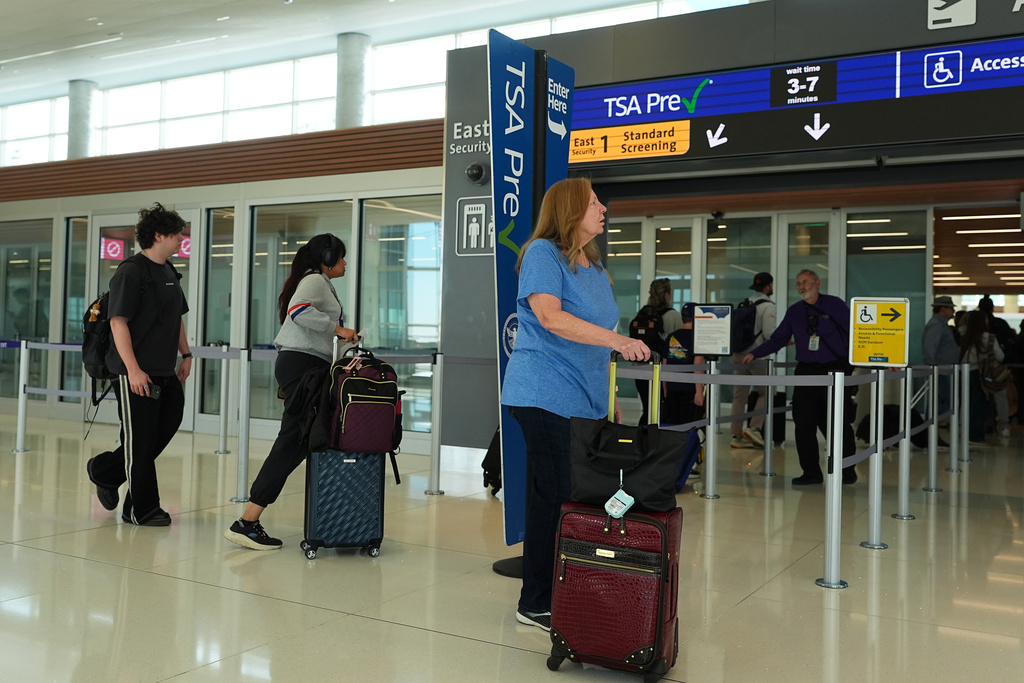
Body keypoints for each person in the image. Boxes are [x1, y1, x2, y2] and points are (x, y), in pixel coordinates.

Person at [500, 177, 650, 631]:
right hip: (543, 392)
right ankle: (536, 601)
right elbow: (551, 318)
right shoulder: (543, 254)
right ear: (569, 211)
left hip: (585, 399)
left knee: (571, 494)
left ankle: (564, 584)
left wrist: (611, 394)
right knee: (555, 493)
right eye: (593, 202)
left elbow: (594, 341)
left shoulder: (594, 265)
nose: (603, 208)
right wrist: (621, 342)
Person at [224, 233, 358, 549]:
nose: (344, 262)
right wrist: (337, 328)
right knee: (292, 443)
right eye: (340, 256)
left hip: (306, 365)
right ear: (326, 257)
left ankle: (259, 519)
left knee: (301, 441)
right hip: (302, 366)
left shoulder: (319, 282)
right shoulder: (315, 281)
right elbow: (297, 311)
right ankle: (247, 521)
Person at [85, 203, 192, 526]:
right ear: (158, 236)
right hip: (135, 371)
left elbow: (177, 319)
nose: (181, 240)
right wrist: (132, 369)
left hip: (164, 369)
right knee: (141, 439)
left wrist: (186, 355)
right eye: (176, 235)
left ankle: (104, 471)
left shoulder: (169, 271)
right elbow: (118, 322)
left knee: (165, 426)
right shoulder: (131, 271)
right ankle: (140, 508)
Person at [742, 269, 857, 486]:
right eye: (798, 283)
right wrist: (754, 353)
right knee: (803, 421)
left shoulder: (835, 305)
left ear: (817, 283)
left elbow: (857, 333)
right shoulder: (795, 312)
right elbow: (778, 339)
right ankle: (811, 472)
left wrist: (879, 360)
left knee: (836, 422)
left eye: (805, 282)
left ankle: (847, 469)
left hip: (836, 370)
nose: (801, 286)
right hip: (807, 371)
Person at [730, 272, 776, 449]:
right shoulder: (767, 306)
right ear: (768, 286)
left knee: (739, 395)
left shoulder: (746, 303)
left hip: (738, 354)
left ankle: (736, 435)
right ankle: (754, 428)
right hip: (757, 355)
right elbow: (769, 334)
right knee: (767, 392)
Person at [634, 277, 682, 425]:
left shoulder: (643, 314)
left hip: (639, 370)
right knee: (659, 409)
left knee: (648, 409)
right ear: (668, 294)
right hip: (660, 371)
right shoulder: (673, 315)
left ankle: (642, 440)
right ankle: (650, 441)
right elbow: (679, 346)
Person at [959, 309, 1004, 443]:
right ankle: (975, 435)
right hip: (983, 374)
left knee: (968, 403)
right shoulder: (989, 338)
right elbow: (1000, 356)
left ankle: (966, 432)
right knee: (981, 405)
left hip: (967, 373)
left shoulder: (965, 337)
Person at [662, 302, 705, 426]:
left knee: (674, 425)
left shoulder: (672, 336)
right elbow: (698, 367)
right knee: (687, 426)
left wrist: (665, 388)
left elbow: (664, 364)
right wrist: (699, 392)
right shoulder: (697, 337)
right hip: (689, 389)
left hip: (671, 387)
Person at [922, 295, 958, 418]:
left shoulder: (941, 324)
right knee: (947, 402)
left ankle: (930, 431)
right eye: (951, 308)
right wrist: (932, 366)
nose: (953, 311)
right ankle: (928, 427)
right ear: (943, 309)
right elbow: (930, 346)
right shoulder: (936, 325)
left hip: (942, 369)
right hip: (940, 370)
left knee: (937, 402)